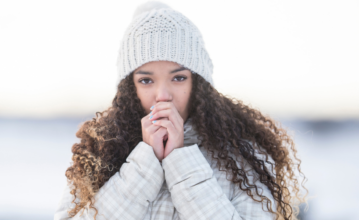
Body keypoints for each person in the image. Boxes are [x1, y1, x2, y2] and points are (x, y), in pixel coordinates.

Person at [54, 1, 308, 220]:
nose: (163, 95)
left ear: (198, 83)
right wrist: (144, 164)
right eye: (146, 80)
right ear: (129, 88)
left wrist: (181, 159)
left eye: (178, 78)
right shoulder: (99, 152)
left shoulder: (243, 154)